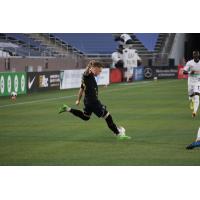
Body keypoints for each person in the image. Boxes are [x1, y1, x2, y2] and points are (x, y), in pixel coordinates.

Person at [58, 60, 131, 140]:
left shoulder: (89, 77)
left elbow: (81, 89)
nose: (100, 73)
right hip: (93, 102)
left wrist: (78, 99)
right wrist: (90, 65)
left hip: (88, 101)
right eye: (99, 71)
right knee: (107, 116)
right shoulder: (88, 75)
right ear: (94, 68)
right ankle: (118, 134)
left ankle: (67, 108)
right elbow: (86, 73)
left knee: (86, 117)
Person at [183, 51, 200, 118]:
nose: (195, 56)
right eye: (194, 55)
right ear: (193, 56)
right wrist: (190, 72)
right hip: (190, 81)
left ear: (198, 55)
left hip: (198, 81)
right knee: (190, 95)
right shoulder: (189, 63)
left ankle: (194, 112)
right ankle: (191, 101)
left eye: (196, 54)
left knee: (197, 95)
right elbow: (184, 72)